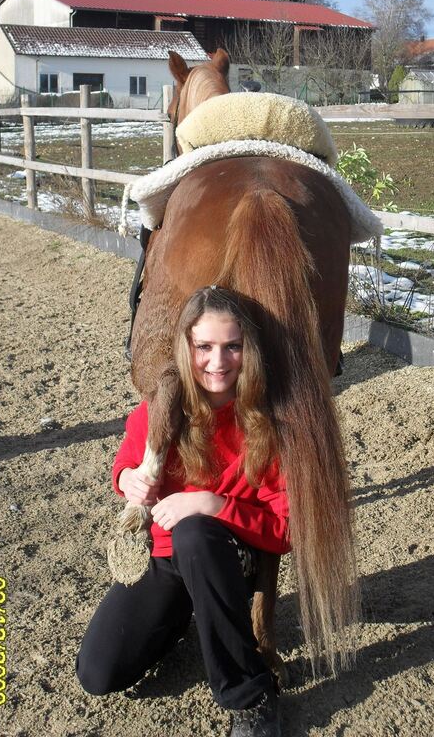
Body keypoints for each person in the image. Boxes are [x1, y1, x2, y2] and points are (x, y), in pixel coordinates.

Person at [76, 286, 290, 737]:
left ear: (248, 350)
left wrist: (213, 505)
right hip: (166, 557)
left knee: (194, 533)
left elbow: (285, 531)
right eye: (204, 347)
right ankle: (182, 617)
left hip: (230, 557)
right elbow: (126, 463)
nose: (218, 362)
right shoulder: (160, 408)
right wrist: (127, 479)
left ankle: (251, 696)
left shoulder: (268, 423)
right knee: (97, 674)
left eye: (232, 346)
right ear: (185, 347)